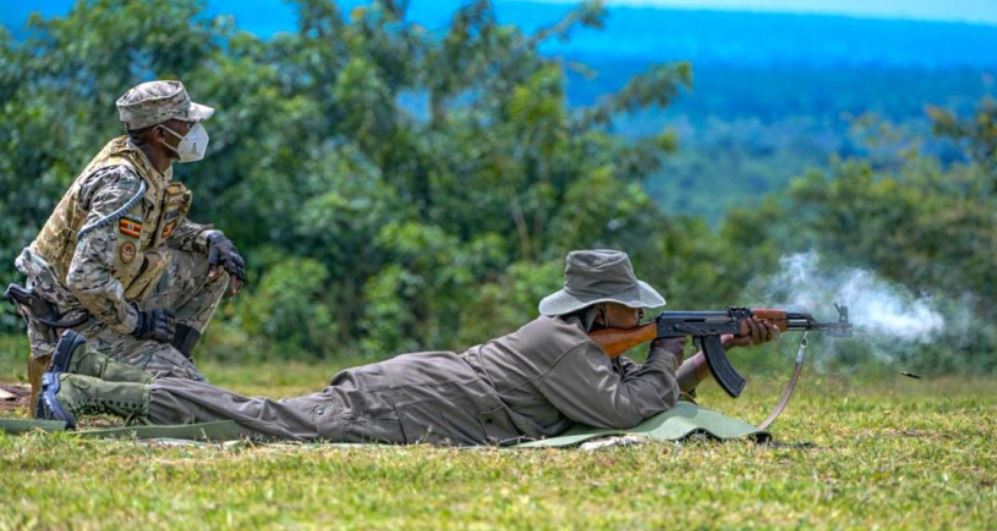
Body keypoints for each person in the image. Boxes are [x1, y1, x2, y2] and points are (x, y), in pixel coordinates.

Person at [35, 250, 778, 446]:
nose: (642, 311)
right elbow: (626, 410)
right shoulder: (559, 342)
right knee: (251, 417)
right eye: (634, 308)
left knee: (255, 412)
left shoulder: (571, 343)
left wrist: (697, 349)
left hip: (412, 391)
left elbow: (641, 400)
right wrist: (665, 350)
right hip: (401, 404)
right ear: (601, 309)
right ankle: (94, 390)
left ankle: (92, 368)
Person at [10, 80, 247, 398]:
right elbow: (85, 277)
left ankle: (169, 360)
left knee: (210, 264)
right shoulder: (123, 182)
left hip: (109, 299)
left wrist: (209, 238)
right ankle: (81, 365)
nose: (195, 128)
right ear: (159, 134)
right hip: (74, 317)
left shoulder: (151, 164)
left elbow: (152, 226)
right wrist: (138, 324)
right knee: (195, 399)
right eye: (186, 122)